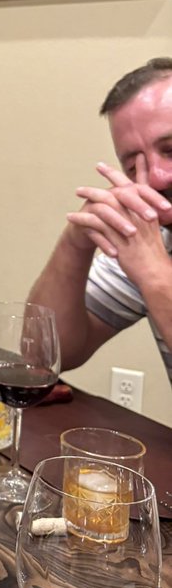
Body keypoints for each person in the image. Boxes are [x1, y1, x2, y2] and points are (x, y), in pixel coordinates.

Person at [29, 57, 172, 382]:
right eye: (133, 167)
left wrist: (155, 277)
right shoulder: (157, 238)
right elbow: (41, 356)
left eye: (171, 149)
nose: (154, 179)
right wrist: (76, 241)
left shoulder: (151, 260)